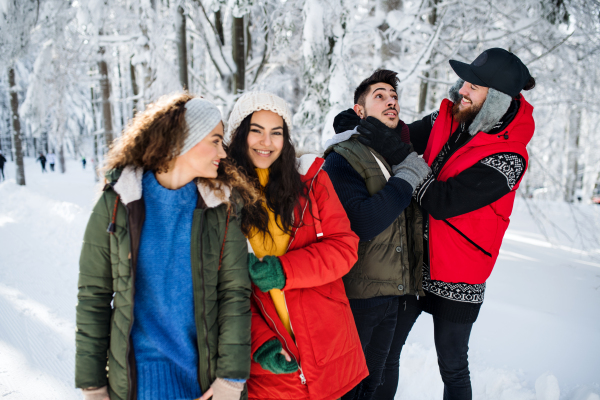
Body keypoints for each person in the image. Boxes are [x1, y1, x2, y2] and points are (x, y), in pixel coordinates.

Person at [367, 48, 536, 400]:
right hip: (414, 260)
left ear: (497, 99)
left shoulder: (510, 157)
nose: (463, 90)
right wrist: (358, 127)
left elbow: (443, 201)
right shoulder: (448, 116)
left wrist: (405, 161)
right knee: (385, 352)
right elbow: (400, 136)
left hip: (460, 272)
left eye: (474, 86)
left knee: (453, 364)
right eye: (466, 81)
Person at [75, 93, 259, 400]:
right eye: (214, 140)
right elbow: (93, 297)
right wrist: (93, 387)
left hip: (204, 382)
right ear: (182, 141)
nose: (223, 152)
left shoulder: (222, 207)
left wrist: (230, 379)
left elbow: (234, 293)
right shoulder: (118, 202)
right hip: (136, 382)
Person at [227, 92, 368, 400]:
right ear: (238, 134)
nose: (267, 142)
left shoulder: (312, 180)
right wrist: (261, 343)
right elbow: (225, 292)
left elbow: (345, 248)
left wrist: (285, 271)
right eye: (256, 130)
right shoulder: (220, 199)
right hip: (275, 365)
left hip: (328, 350)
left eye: (276, 132)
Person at [322, 70, 431, 400]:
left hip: (395, 294)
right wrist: (408, 176)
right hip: (358, 296)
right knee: (349, 386)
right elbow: (366, 222)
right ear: (359, 111)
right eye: (379, 96)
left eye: (394, 97)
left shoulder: (396, 152)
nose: (390, 101)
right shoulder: (342, 159)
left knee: (376, 382)